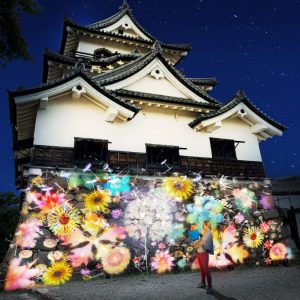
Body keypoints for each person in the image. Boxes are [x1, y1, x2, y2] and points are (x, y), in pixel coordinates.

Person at [193, 220, 214, 295]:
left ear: (207, 225)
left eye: (204, 225)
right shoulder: (205, 232)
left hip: (204, 253)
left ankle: (210, 287)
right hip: (200, 253)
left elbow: (201, 242)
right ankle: (203, 283)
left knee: (206, 270)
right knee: (202, 269)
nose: (202, 226)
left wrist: (195, 245)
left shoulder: (208, 233)